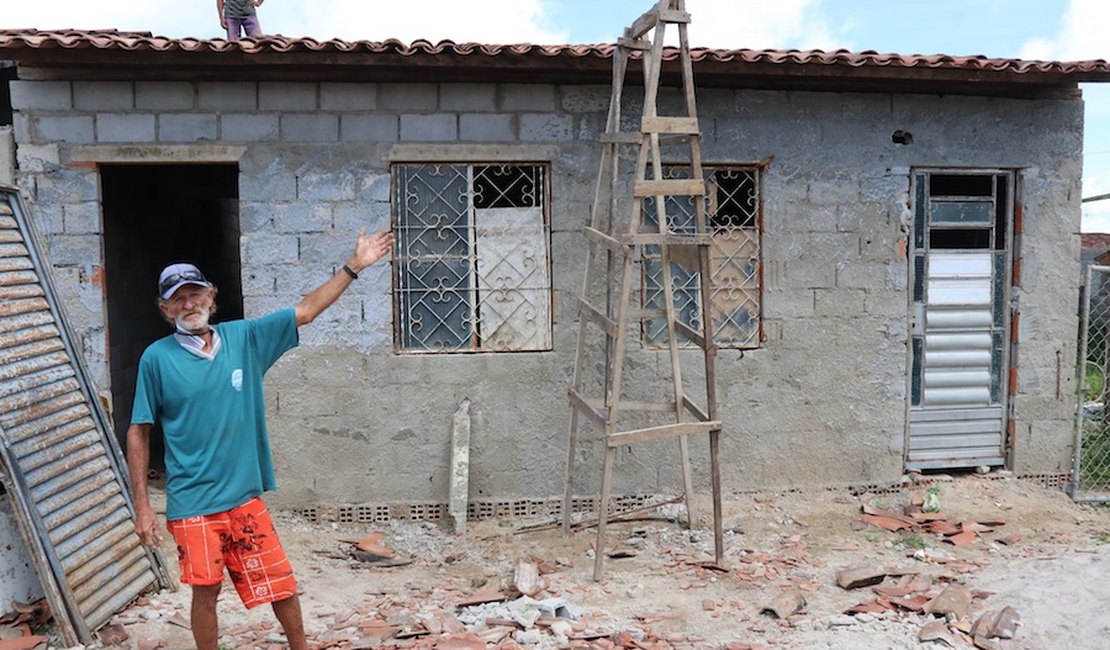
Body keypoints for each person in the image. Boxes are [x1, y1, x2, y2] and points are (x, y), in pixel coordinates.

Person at [126, 228, 395, 650]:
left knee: (280, 582)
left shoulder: (244, 338)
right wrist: (142, 507)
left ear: (211, 297)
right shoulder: (156, 358)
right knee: (206, 590)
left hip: (243, 498)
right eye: (178, 298)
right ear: (165, 308)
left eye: (195, 294)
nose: (189, 304)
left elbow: (305, 311)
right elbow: (139, 431)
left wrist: (355, 266)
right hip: (193, 503)